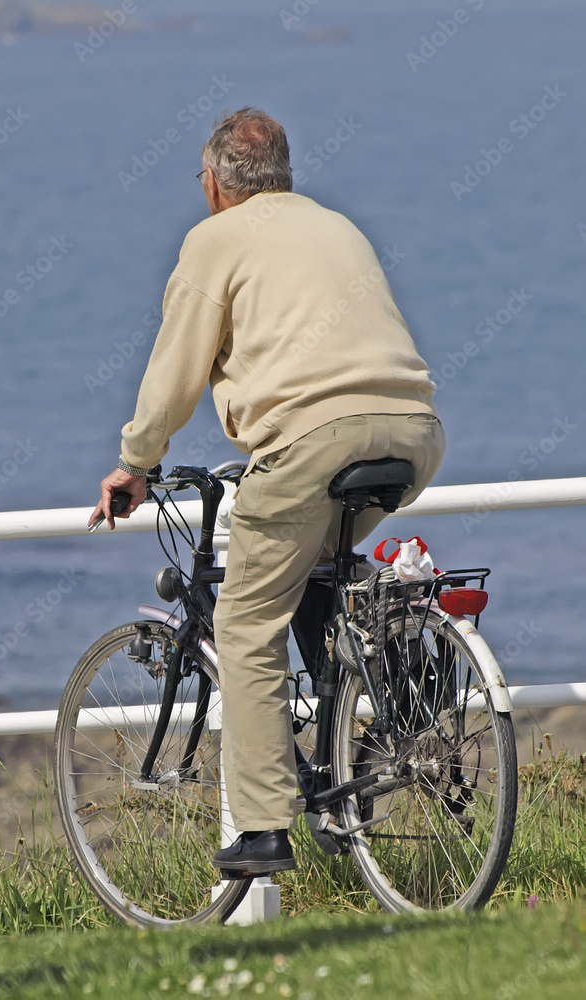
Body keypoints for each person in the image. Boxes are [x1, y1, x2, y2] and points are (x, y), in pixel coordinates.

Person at [88, 108, 446, 875]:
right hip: (413, 429)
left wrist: (135, 462)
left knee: (249, 623)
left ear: (216, 183)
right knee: (318, 564)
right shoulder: (336, 226)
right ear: (282, 175)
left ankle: (261, 827)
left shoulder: (214, 240)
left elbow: (176, 371)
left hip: (312, 442)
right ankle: (380, 687)